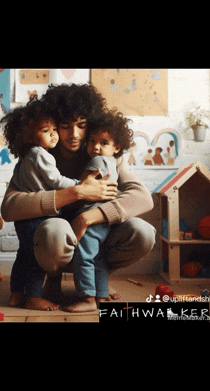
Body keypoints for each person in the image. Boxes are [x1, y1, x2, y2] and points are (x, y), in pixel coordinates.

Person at [1, 83, 156, 311]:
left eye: (82, 126)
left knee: (142, 233)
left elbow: (143, 197)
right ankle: (52, 280)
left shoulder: (101, 152)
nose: (74, 135)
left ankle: (94, 283)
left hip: (90, 238)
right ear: (52, 125)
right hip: (54, 243)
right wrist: (77, 192)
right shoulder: (38, 154)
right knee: (54, 231)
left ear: (90, 124)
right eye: (64, 126)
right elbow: (10, 208)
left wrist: (89, 217)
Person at [1, 99, 82, 309]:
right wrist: (79, 185)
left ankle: (16, 294)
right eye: (46, 130)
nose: (54, 134)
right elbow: (56, 182)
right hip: (38, 217)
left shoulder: (24, 158)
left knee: (23, 255)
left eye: (55, 128)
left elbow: (17, 185)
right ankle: (33, 297)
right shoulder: (41, 154)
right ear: (28, 136)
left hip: (23, 218)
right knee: (37, 259)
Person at [67, 110, 132, 312]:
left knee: (84, 256)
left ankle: (87, 299)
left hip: (92, 217)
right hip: (105, 219)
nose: (95, 147)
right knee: (98, 258)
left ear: (117, 147)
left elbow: (82, 187)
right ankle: (101, 296)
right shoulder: (113, 163)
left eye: (103, 143)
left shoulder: (97, 162)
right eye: (92, 140)